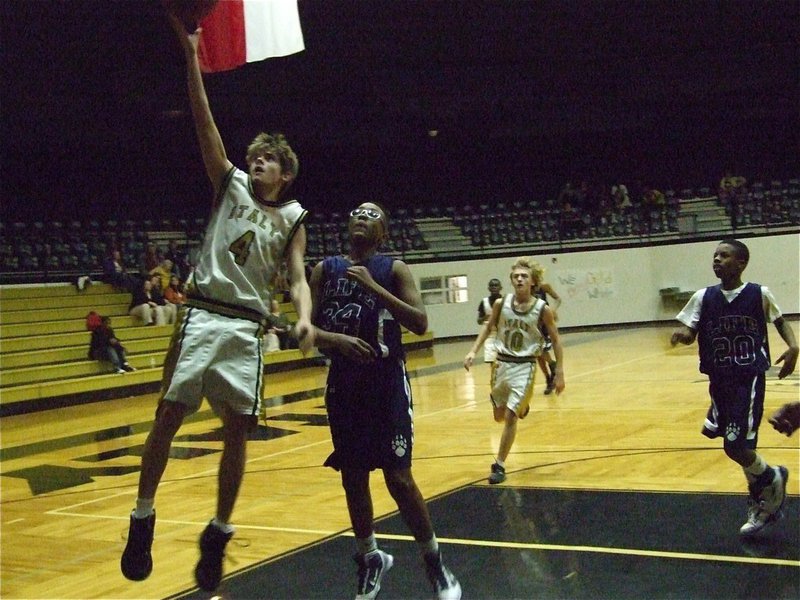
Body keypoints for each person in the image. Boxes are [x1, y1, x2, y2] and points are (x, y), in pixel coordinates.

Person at [120, 14, 314, 594]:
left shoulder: (293, 217)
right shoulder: (227, 184)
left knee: (237, 431)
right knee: (168, 415)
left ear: (284, 173)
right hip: (204, 313)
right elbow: (203, 122)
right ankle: (142, 516)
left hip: (248, 328)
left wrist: (303, 315)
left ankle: (219, 534)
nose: (256, 162)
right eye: (253, 156)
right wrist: (191, 60)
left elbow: (298, 278)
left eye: (267, 160)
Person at [309, 202, 461, 600]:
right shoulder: (324, 270)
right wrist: (336, 340)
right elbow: (304, 331)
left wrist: (374, 290)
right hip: (343, 384)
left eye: (372, 215)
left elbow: (420, 322)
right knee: (353, 477)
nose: (361, 216)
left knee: (398, 478)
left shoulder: (393, 269)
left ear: (384, 234)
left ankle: (435, 565)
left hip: (386, 382)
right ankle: (370, 556)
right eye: (356, 212)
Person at [671, 239, 798, 536]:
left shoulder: (758, 293)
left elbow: (780, 321)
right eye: (715, 255)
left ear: (741, 263)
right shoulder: (703, 297)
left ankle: (772, 478)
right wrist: (682, 335)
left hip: (748, 377)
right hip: (719, 380)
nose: (717, 259)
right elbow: (691, 331)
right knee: (743, 445)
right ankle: (764, 499)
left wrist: (793, 346)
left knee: (734, 445)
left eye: (724, 256)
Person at [464, 257, 565, 485]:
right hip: (501, 364)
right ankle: (522, 406)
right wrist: (472, 351)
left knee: (510, 416)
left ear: (532, 282)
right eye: (516, 276)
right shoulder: (502, 304)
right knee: (499, 416)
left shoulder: (542, 309)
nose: (519, 279)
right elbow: (488, 327)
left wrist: (559, 371)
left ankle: (499, 465)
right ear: (511, 280)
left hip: (525, 365)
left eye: (524, 276)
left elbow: (557, 341)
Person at [531, 275, 562, 394]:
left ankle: (553, 365)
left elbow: (558, 299)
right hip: (532, 322)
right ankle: (548, 378)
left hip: (544, 322)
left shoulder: (545, 287)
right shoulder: (526, 289)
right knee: (537, 354)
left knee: (541, 349)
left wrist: (553, 310)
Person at [476, 278, 503, 363]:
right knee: (492, 362)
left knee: (504, 361)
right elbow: (479, 321)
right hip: (490, 334)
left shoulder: (506, 301)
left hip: (503, 334)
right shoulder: (484, 302)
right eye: (492, 285)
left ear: (500, 287)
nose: (494, 287)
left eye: (496, 285)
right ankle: (494, 376)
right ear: (489, 288)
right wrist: (485, 317)